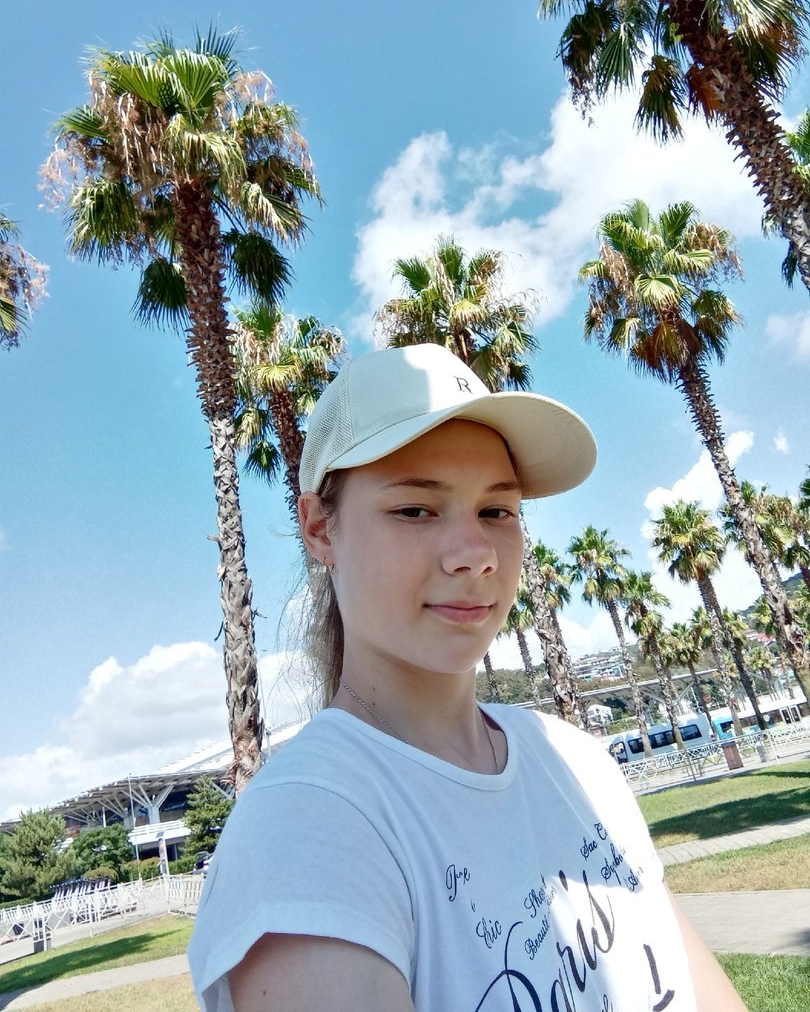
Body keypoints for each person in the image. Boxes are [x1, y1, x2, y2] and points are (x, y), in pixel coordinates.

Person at [188, 343, 747, 1011]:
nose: (477, 555)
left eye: (496, 511)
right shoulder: (309, 822)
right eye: (415, 510)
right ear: (319, 529)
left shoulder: (578, 763)